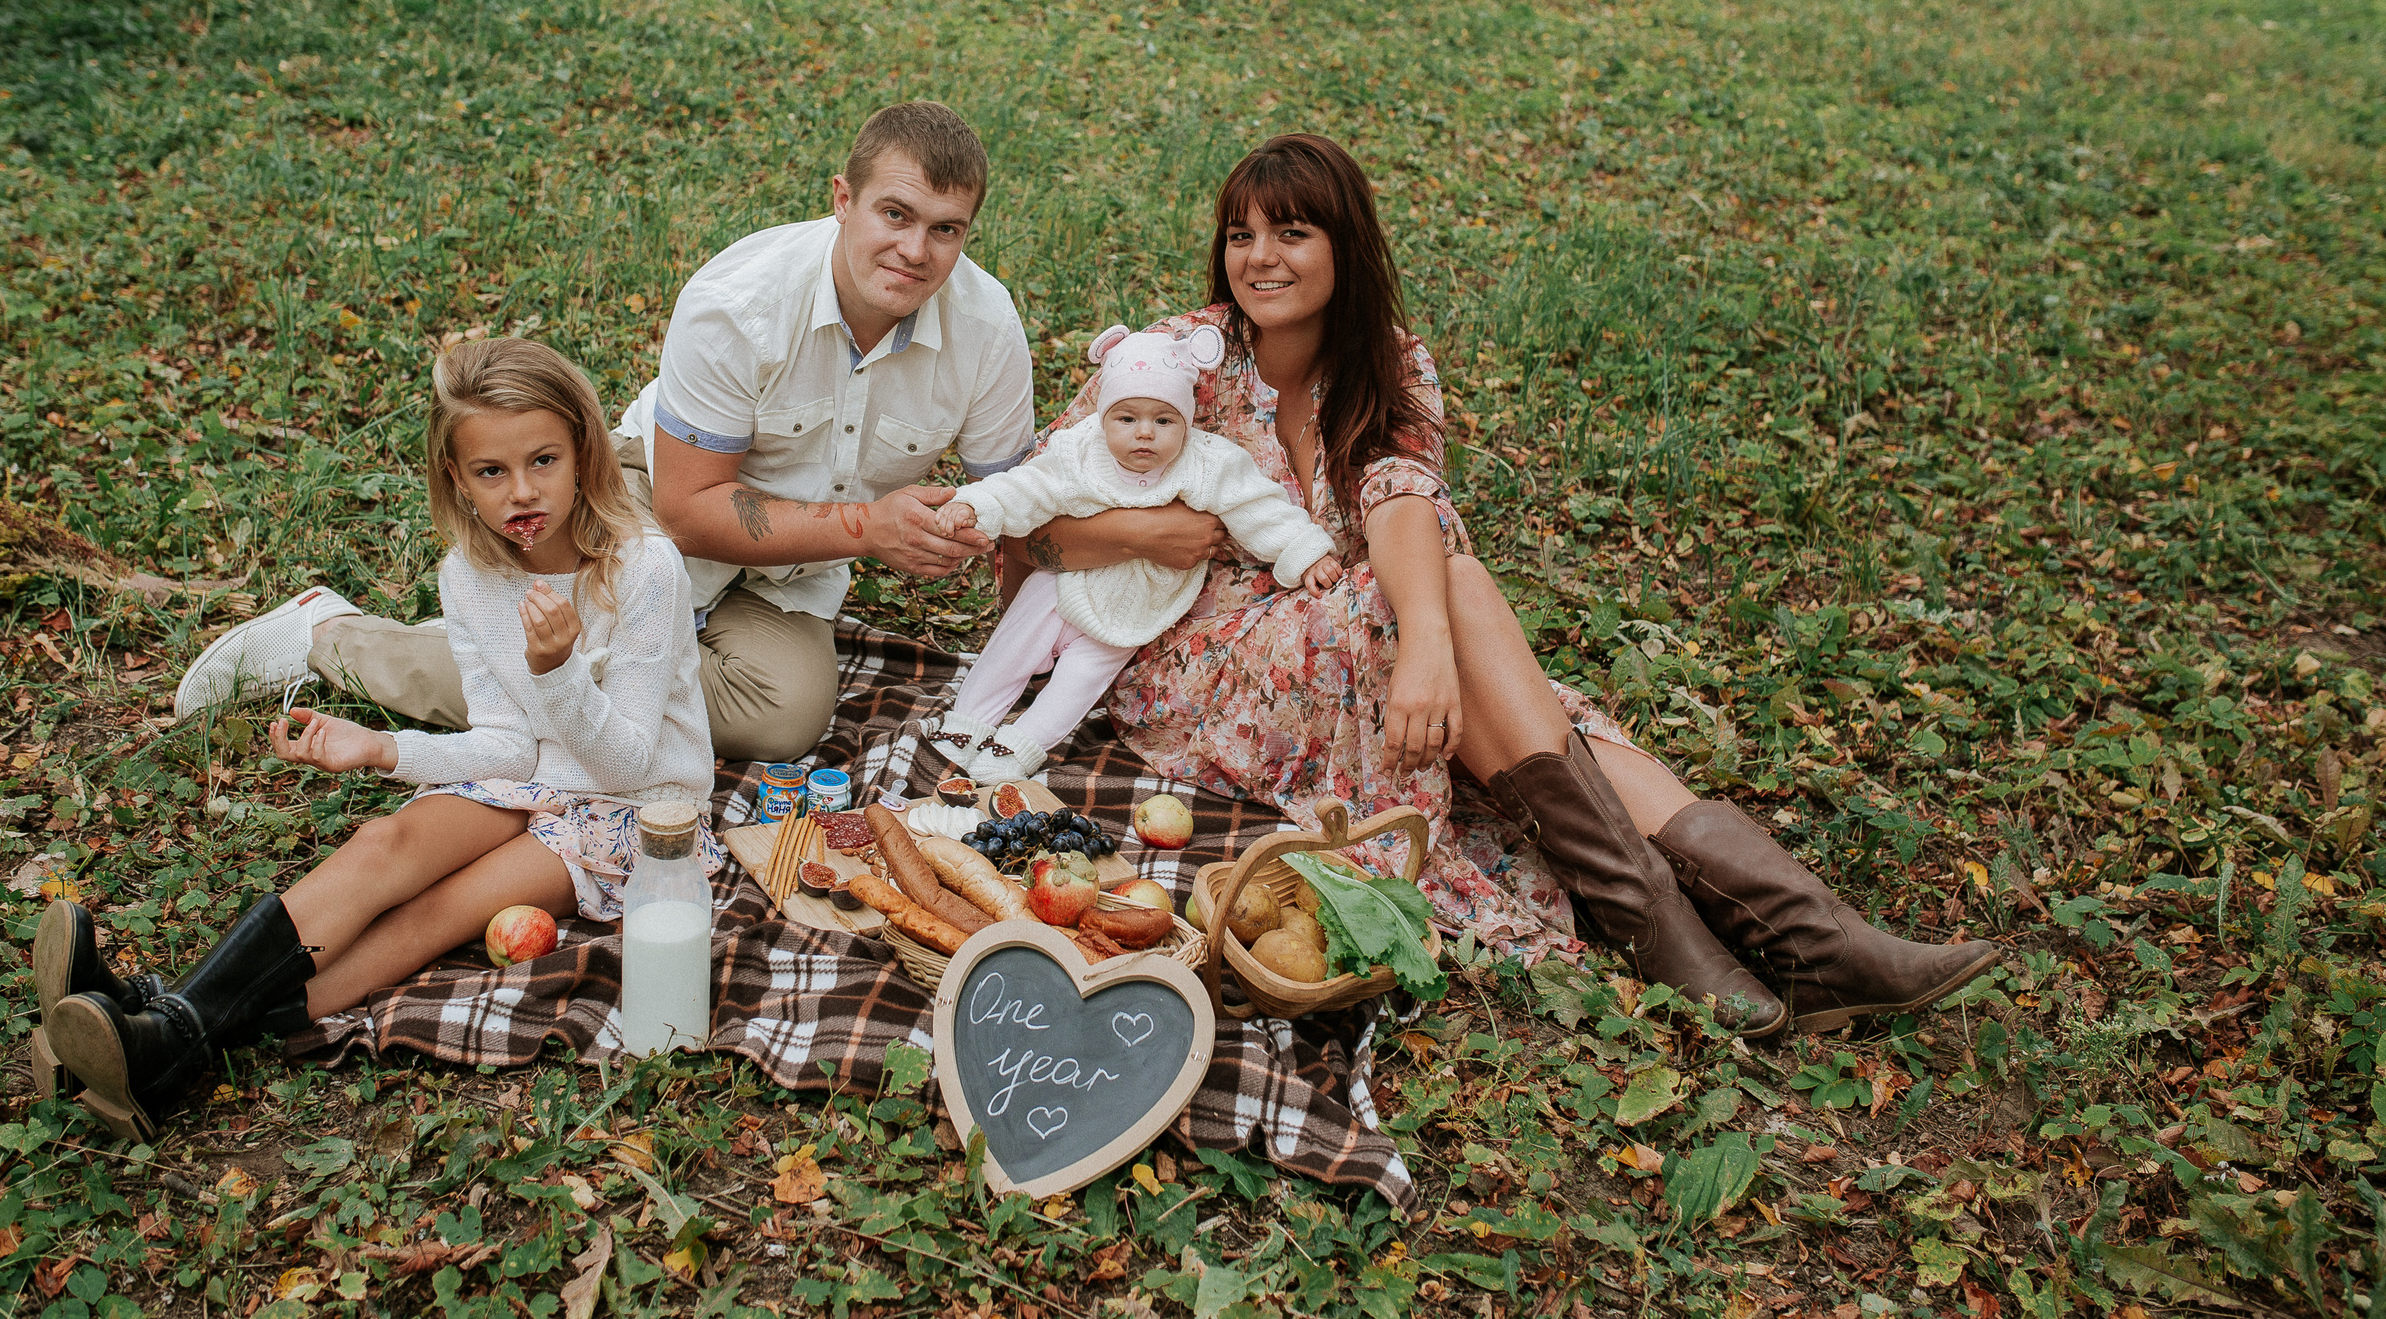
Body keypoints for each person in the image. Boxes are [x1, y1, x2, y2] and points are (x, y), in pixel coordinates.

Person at [1012, 134, 1997, 1035]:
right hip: (1199, 657)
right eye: (1240, 236)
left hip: (1356, 629)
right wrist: (1150, 527)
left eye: (1291, 232)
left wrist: (1428, 652)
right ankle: (1677, 937)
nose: (1258, 257)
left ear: (1346, 244)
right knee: (1455, 601)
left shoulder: (1393, 362)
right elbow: (1028, 513)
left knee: (1531, 688)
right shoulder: (1180, 358)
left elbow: (1405, 501)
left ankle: (1809, 939)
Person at [170, 101, 1034, 764]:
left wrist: (1016, 669)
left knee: (788, 719)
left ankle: (613, 659)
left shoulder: (987, 330)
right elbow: (694, 512)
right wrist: (874, 531)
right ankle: (333, 637)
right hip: (657, 502)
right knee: (559, 678)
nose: (916, 251)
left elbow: (1016, 513)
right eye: (895, 214)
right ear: (843, 201)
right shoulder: (737, 304)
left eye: (945, 229)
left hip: (791, 570)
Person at [38, 339, 714, 1139]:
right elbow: (506, 744)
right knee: (381, 843)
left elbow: (627, 759)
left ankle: (160, 1037)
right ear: (456, 479)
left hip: (634, 804)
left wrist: (560, 670)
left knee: (437, 910)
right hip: (530, 773)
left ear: (582, 453)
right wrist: (379, 748)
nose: (522, 491)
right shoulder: (468, 576)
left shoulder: (644, 568)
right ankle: (161, 1023)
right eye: (491, 471)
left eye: (543, 460)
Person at [926, 322, 1342, 783]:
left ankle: (1022, 745)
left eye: (1163, 421)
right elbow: (1027, 487)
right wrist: (974, 506)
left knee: (1079, 681)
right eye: (1127, 419)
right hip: (1064, 582)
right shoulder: (1079, 451)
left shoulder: (1207, 462)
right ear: (1104, 417)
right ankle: (965, 724)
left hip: (1138, 601)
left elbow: (1257, 505)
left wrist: (1305, 552)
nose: (1144, 433)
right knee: (1012, 647)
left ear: (1185, 421)